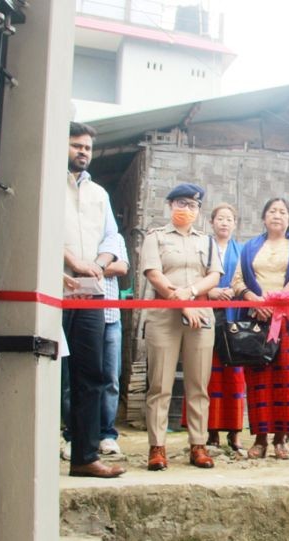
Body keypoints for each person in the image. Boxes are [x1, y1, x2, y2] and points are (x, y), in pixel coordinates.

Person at [140, 183, 222, 470]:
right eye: (181, 204)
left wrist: (190, 293)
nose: (186, 210)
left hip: (200, 318)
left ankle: (198, 446)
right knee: (160, 384)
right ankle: (157, 447)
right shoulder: (156, 237)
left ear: (199, 211)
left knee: (198, 384)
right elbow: (154, 275)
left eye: (192, 205)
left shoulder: (207, 241)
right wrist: (182, 300)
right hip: (164, 317)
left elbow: (214, 276)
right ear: (170, 206)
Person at [63, 122, 125, 478]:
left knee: (93, 374)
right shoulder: (46, 182)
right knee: (52, 372)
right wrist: (72, 261)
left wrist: (99, 265)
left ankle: (85, 457)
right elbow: (40, 229)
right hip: (52, 290)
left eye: (87, 147)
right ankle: (42, 444)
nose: (82, 152)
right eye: (75, 146)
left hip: (90, 294)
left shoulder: (99, 193)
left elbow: (112, 237)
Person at [231, 197, 289, 460]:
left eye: (283, 211)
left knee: (287, 379)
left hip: (288, 319)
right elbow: (238, 280)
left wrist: (278, 300)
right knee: (259, 379)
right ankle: (260, 439)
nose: (277, 215)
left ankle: (280, 440)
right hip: (258, 319)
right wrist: (256, 301)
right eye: (272, 211)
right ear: (264, 217)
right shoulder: (251, 246)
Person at [181, 202, 247, 452]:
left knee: (234, 376)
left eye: (229, 219)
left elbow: (247, 279)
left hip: (233, 317)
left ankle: (235, 431)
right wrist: (211, 292)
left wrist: (234, 290)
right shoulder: (201, 248)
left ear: (234, 224)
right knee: (205, 375)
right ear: (211, 222)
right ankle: (209, 431)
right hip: (206, 314)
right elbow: (192, 278)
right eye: (220, 218)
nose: (224, 223)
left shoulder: (241, 251)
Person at [97, 232, 129, 455]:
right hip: (79, 313)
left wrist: (90, 267)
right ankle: (74, 433)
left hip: (110, 316)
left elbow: (122, 268)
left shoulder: (115, 237)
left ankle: (106, 433)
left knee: (111, 377)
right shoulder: (76, 235)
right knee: (75, 378)